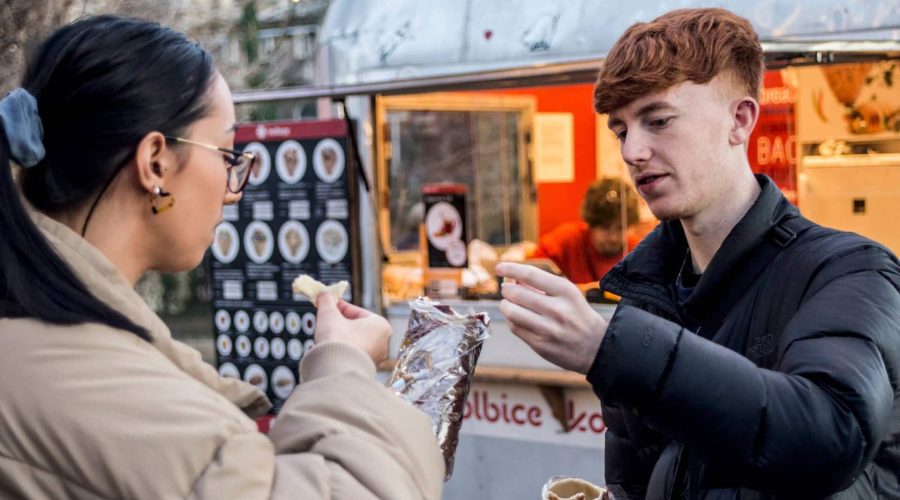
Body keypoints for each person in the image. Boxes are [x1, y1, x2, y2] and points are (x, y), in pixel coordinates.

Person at [0, 16, 443, 499]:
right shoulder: (77, 368)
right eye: (228, 155)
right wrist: (345, 366)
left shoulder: (54, 322)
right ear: (156, 164)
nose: (234, 194)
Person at [497, 8, 899, 499]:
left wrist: (608, 348)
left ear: (740, 119)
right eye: (622, 130)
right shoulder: (647, 294)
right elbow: (634, 481)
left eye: (658, 120)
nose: (631, 152)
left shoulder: (851, 272)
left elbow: (829, 439)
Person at [530, 177, 640, 290]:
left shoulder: (639, 251)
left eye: (620, 228)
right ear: (590, 223)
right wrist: (588, 291)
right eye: (605, 228)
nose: (613, 237)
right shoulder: (564, 242)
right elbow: (528, 277)